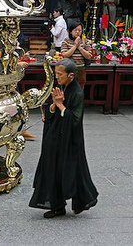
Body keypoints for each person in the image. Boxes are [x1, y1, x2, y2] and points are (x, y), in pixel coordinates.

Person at [29, 58, 98, 218]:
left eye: (60, 74)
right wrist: (53, 106)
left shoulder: (77, 93)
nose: (57, 77)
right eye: (56, 74)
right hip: (56, 138)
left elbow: (75, 120)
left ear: (71, 76)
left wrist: (60, 106)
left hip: (70, 141)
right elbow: (51, 109)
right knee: (52, 169)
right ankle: (57, 206)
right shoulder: (61, 87)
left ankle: (82, 201)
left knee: (73, 171)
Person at [60, 21, 92, 89]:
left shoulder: (85, 41)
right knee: (69, 89)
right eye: (75, 30)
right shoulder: (66, 41)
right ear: (71, 31)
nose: (77, 32)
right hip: (69, 69)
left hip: (81, 69)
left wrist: (79, 47)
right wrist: (75, 46)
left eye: (79, 30)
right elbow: (65, 55)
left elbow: (89, 56)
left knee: (80, 89)